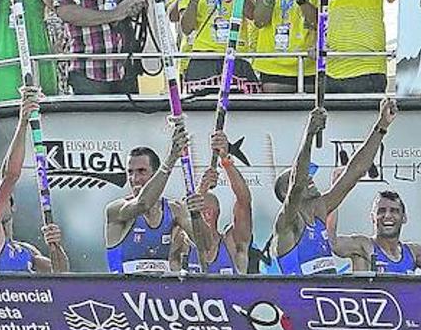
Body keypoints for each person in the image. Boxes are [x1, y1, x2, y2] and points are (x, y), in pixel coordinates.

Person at [269, 100, 397, 275]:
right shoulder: (287, 222)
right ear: (285, 193)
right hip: (298, 300)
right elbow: (297, 186)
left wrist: (382, 125)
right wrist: (309, 135)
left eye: (310, 175)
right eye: (305, 176)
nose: (309, 178)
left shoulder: (319, 210)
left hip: (325, 298)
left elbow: (355, 171)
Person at [0, 88, 69, 272]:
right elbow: (9, 177)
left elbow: (61, 275)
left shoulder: (26, 251)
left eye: (0, 199)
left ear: (13, 206)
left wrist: (56, 246)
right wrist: (23, 122)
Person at [104, 120, 210, 274]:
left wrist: (197, 215)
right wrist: (171, 159)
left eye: (141, 171)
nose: (134, 179)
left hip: (159, 295)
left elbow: (205, 247)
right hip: (123, 293)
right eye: (130, 172)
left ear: (154, 176)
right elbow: (143, 204)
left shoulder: (175, 210)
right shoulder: (116, 210)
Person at [193, 130, 254, 274]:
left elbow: (244, 201)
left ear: (208, 214)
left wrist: (225, 160)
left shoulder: (231, 242)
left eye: (198, 210)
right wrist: (201, 190)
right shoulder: (183, 244)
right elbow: (183, 212)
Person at [329, 190, 420, 273]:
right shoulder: (363, 246)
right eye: (381, 211)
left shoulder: (413, 252)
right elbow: (333, 244)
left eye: (394, 211)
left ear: (404, 218)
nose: (387, 215)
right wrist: (336, 194)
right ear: (373, 217)